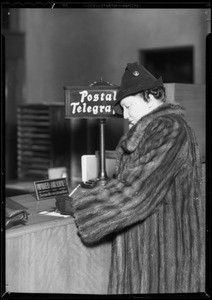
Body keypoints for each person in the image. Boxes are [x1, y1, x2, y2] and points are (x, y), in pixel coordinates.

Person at [56, 62, 205, 294]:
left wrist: (79, 205)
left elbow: (136, 192)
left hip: (163, 261)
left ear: (149, 96)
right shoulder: (158, 130)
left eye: (127, 106)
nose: (124, 115)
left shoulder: (169, 130)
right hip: (151, 251)